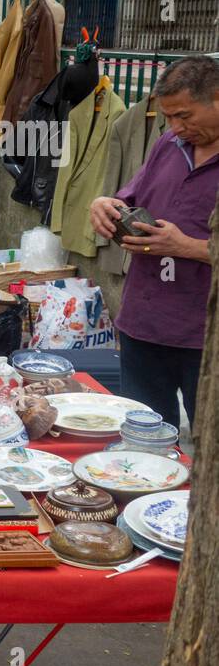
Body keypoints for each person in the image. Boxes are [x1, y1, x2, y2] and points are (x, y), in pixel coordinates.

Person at [89, 56, 219, 431]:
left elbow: (184, 244)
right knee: (143, 440)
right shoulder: (168, 144)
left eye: (185, 116)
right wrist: (105, 205)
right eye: (169, 118)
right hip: (144, 323)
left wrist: (188, 247)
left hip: (205, 334)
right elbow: (131, 197)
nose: (176, 128)